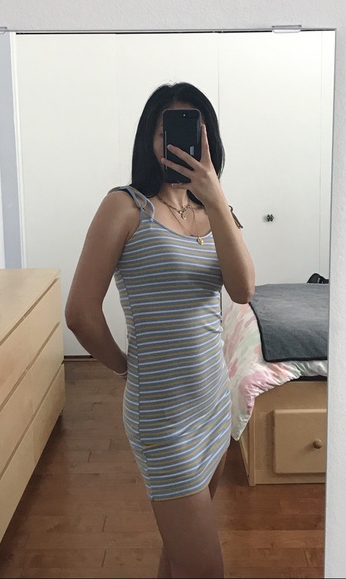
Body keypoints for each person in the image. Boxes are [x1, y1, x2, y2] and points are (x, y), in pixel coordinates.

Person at [65, 82, 255, 578]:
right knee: (205, 568)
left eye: (195, 130)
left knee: (180, 553)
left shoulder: (216, 211)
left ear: (210, 140)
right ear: (150, 140)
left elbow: (242, 289)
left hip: (214, 403)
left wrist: (215, 197)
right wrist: (125, 369)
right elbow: (80, 313)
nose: (182, 142)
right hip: (164, 417)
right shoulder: (126, 207)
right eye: (167, 130)